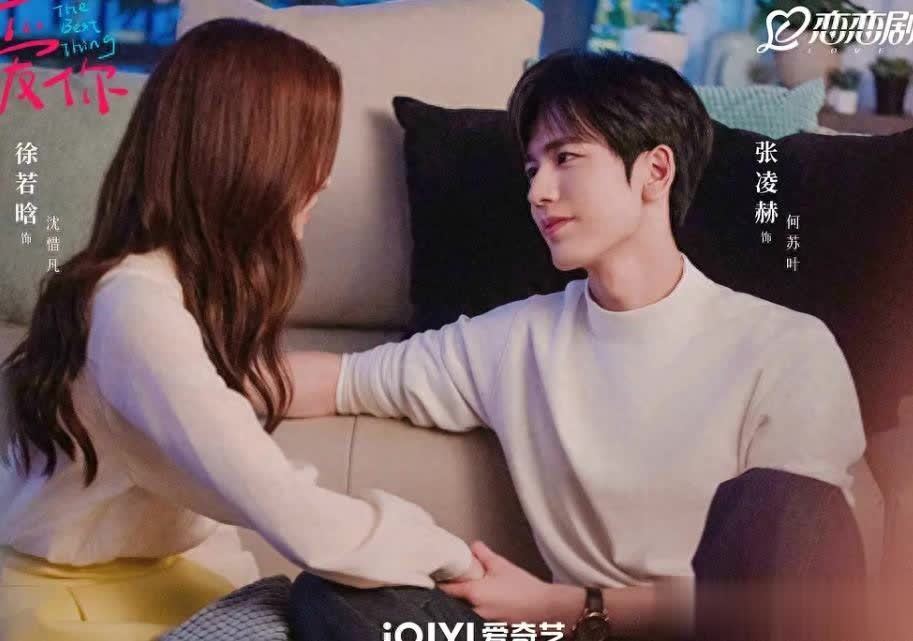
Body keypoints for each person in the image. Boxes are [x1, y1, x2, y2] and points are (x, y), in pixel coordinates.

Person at [283, 49, 868, 640]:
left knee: (789, 512)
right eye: (532, 168)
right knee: (340, 599)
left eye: (566, 158)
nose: (539, 192)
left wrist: (562, 606)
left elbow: (797, 580)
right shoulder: (517, 338)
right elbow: (340, 379)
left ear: (655, 171)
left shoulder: (787, 347)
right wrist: (217, 390)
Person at [0, 18, 480, 641]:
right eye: (310, 147)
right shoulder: (133, 310)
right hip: (73, 609)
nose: (325, 179)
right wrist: (456, 557)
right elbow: (290, 510)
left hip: (160, 579)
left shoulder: (171, 290)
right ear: (248, 156)